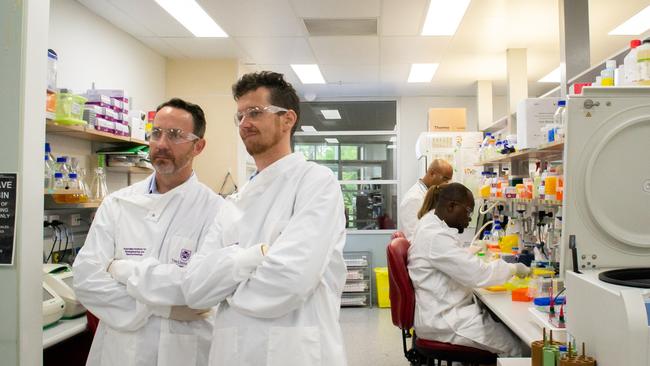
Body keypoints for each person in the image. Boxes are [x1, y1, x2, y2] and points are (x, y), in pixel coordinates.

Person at [180, 71, 348, 365]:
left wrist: (225, 285)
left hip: (293, 352)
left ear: (288, 119)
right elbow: (194, 289)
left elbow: (289, 282)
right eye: (240, 116)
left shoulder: (316, 183)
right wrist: (250, 259)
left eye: (255, 112)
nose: (244, 123)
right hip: (231, 353)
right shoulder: (232, 203)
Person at [73, 98, 224, 366]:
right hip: (119, 352)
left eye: (175, 135)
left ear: (198, 146)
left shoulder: (217, 211)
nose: (162, 143)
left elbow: (200, 289)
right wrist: (167, 307)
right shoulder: (117, 204)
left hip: (184, 354)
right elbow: (86, 280)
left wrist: (120, 271)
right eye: (156, 133)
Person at [408, 183, 529, 357]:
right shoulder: (435, 235)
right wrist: (512, 268)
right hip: (447, 320)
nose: (470, 218)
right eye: (468, 211)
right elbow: (479, 275)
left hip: (442, 310)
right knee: (518, 348)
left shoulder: (430, 224)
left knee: (504, 329)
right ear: (451, 206)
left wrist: (466, 253)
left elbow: (448, 259)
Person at [399, 159, 453, 241]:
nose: (446, 184)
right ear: (432, 174)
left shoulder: (430, 195)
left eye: (448, 181)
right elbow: (412, 237)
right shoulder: (414, 198)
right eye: (445, 179)